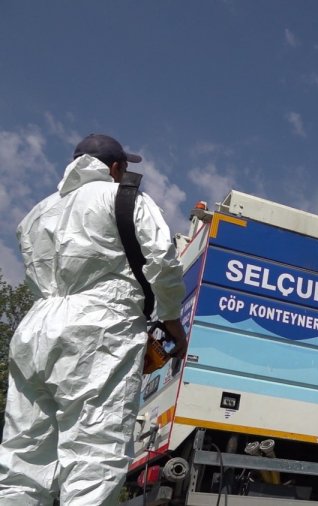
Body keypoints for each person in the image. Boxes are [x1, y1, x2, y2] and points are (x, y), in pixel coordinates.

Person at [0, 134, 188, 505]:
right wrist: (171, 321)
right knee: (93, 455)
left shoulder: (36, 214)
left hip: (36, 329)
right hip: (100, 328)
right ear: (115, 167)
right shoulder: (124, 197)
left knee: (23, 457)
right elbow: (164, 262)